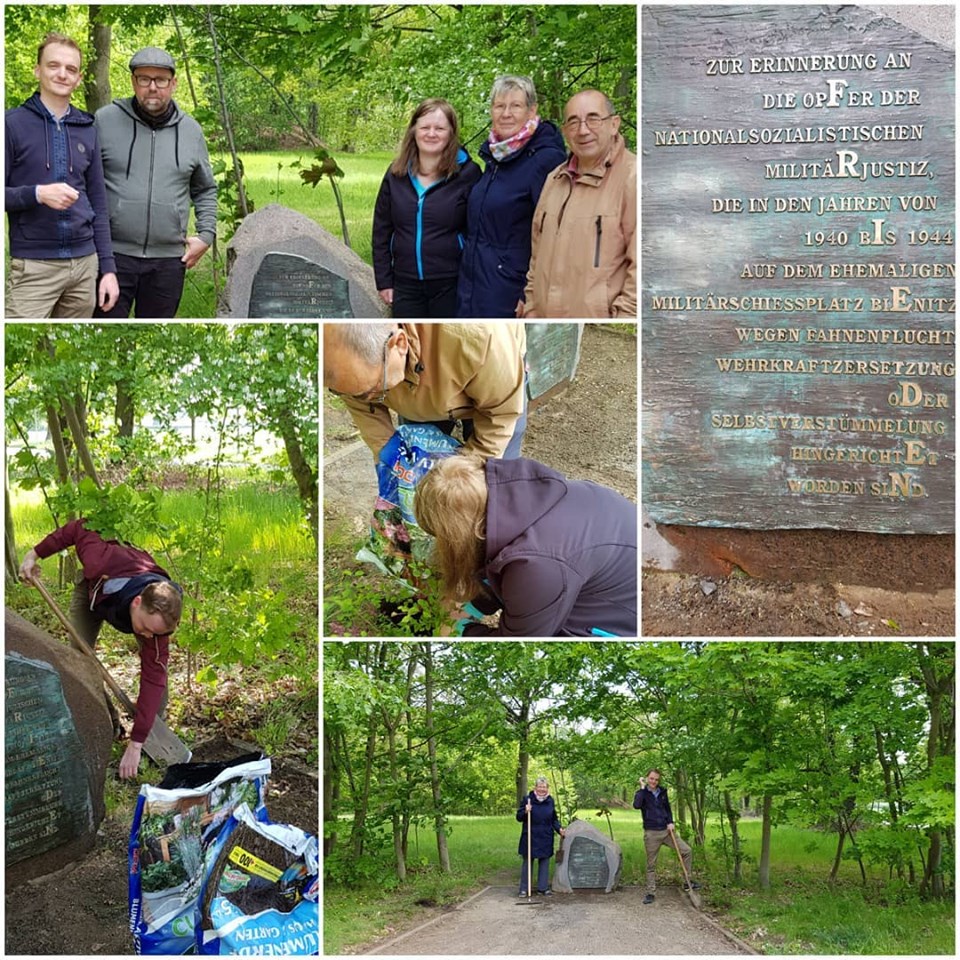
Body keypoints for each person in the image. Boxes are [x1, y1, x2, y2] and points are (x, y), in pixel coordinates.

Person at [19, 519, 183, 779]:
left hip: (126, 591)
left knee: (157, 677)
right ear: (138, 602)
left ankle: (150, 738)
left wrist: (137, 742)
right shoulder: (98, 559)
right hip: (96, 591)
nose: (148, 635)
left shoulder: (160, 623)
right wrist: (34, 554)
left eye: (156, 632)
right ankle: (109, 722)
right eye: (145, 626)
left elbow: (153, 679)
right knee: (79, 658)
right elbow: (76, 529)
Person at [414, 454, 637, 636]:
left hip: (622, 614)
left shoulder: (536, 565)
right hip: (606, 563)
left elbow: (520, 642)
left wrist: (461, 630)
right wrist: (474, 606)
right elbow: (493, 554)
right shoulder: (519, 495)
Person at [94, 47, 217, 318]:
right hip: (112, 257)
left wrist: (206, 235)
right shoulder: (104, 121)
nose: (152, 87)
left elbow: (205, 188)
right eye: (144, 79)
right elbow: (84, 182)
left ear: (173, 84)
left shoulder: (191, 131)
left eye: (160, 80)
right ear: (133, 82)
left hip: (169, 261)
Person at [4, 33, 119, 318]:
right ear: (38, 70)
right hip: (33, 267)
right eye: (53, 65)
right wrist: (37, 194)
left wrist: (108, 269)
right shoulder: (11, 125)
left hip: (85, 265)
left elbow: (99, 204)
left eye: (70, 69)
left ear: (79, 79)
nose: (62, 74)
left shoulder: (88, 128)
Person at [324, 322, 527, 461]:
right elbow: (364, 407)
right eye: (357, 393)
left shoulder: (478, 336)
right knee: (418, 467)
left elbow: (500, 415)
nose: (369, 399)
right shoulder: (343, 360)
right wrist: (391, 459)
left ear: (399, 344)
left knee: (494, 480)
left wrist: (466, 477)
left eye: (375, 387)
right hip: (423, 387)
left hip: (495, 392)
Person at [520, 89, 636, 318]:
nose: (583, 130)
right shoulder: (554, 180)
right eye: (573, 122)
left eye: (593, 118)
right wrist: (532, 310)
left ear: (614, 124)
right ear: (564, 131)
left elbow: (642, 271)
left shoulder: (634, 178)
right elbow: (536, 258)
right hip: (544, 324)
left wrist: (624, 320)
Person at [456, 75, 565, 318]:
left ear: (531, 110)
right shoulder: (495, 156)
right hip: (473, 283)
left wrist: (530, 294)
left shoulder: (545, 159)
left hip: (511, 291)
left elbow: (554, 235)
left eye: (515, 106)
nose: (506, 113)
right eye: (499, 106)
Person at [372, 99, 481, 318]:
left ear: (451, 133)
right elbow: (382, 229)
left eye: (440, 128)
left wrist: (472, 279)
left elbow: (477, 231)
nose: (431, 134)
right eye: (425, 127)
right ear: (414, 130)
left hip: (451, 283)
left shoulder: (469, 174)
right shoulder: (395, 174)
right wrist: (384, 280)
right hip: (405, 283)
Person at [633, 769, 699, 904]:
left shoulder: (662, 792)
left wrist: (670, 822)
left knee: (686, 851)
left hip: (667, 831)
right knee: (651, 864)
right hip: (651, 834)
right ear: (647, 778)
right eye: (651, 779)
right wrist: (642, 787)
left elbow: (667, 808)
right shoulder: (643, 793)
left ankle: (687, 882)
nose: (654, 782)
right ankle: (651, 893)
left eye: (656, 779)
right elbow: (637, 805)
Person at [516, 777, 566, 897]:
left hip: (545, 836)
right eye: (540, 787)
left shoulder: (550, 801)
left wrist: (559, 829)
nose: (542, 789)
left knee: (544, 862)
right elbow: (518, 817)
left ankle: (542, 888)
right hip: (530, 835)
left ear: (547, 788)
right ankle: (524, 888)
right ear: (535, 788)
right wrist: (525, 811)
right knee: (528, 862)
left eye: (544, 787)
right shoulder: (528, 799)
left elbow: (553, 819)